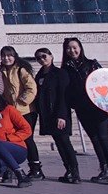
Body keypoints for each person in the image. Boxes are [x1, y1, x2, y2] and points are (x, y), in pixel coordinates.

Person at [62, 37, 108, 185]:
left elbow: (107, 82)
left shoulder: (92, 64)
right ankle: (104, 170)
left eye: (74, 47)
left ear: (80, 48)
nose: (72, 50)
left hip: (98, 107)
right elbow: (67, 91)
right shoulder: (65, 69)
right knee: (94, 138)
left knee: (103, 138)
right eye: (69, 48)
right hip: (82, 108)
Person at [33, 47, 78, 183]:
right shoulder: (40, 75)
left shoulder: (60, 73)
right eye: (38, 58)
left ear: (51, 56)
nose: (42, 59)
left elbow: (63, 96)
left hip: (59, 114)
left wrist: (62, 115)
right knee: (59, 143)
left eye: (44, 56)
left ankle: (74, 172)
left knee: (65, 142)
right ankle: (68, 170)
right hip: (48, 114)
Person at [0, 45, 41, 179]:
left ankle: (36, 168)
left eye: (9, 55)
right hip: (12, 112)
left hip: (26, 111)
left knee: (28, 138)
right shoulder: (2, 71)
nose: (6, 58)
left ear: (14, 56)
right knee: (14, 139)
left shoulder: (21, 69)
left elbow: (31, 87)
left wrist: (22, 101)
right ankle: (14, 167)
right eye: (3, 56)